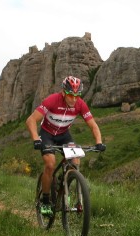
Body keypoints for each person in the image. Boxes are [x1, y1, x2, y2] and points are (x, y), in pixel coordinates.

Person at [26, 76, 106, 216]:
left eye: (77, 95)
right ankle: (45, 201)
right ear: (64, 92)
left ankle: (64, 192)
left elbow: (93, 125)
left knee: (75, 162)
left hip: (64, 135)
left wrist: (99, 142)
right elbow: (31, 120)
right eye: (70, 95)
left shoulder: (80, 104)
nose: (74, 99)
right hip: (47, 134)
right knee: (50, 164)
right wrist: (35, 139)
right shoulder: (52, 100)